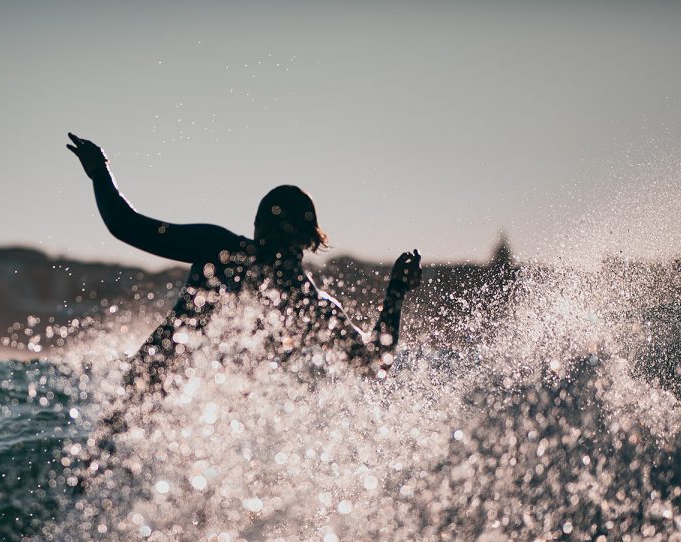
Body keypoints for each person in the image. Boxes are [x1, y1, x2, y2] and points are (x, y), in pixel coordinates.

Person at [66, 132, 422, 395]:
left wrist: (100, 171)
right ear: (310, 239)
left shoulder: (221, 249)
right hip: (210, 420)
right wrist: (396, 293)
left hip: (149, 389)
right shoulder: (312, 306)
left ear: (257, 228)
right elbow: (375, 363)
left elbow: (126, 226)